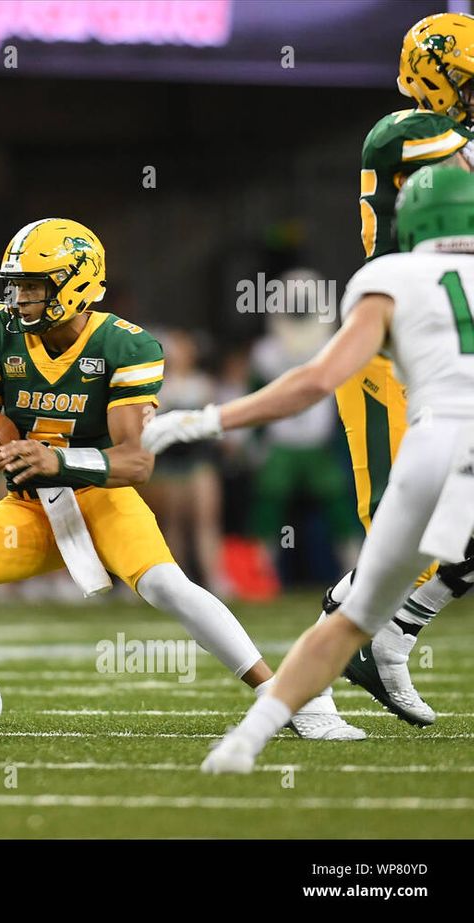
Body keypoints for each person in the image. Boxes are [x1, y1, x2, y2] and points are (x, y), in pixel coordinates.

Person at [0, 218, 363, 740]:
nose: (20, 298)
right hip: (28, 506)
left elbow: (137, 464)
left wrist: (60, 461)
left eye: (33, 285)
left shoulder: (125, 347)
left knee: (166, 584)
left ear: (75, 284)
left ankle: (283, 697)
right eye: (16, 284)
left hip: (101, 496)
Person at [143, 166, 474, 773]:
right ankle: (398, 633)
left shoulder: (389, 275)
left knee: (353, 620)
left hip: (431, 448)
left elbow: (317, 381)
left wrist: (208, 420)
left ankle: (248, 740)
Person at [332, 11, 474, 725]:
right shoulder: (407, 133)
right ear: (433, 77)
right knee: (410, 530)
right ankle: (319, 672)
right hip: (396, 350)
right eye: (469, 83)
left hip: (454, 350)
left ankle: (392, 634)